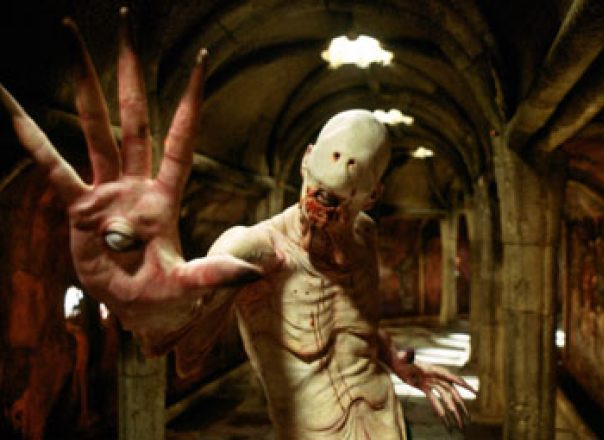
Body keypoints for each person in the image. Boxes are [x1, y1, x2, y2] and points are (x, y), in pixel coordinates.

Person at [0, 9, 473, 439]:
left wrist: (398, 362)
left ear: (373, 195)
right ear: (306, 160)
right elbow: (179, 344)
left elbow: (361, 328)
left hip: (389, 423)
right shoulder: (253, 250)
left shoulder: (364, 234)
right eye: (332, 161)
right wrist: (136, 282)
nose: (341, 176)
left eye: (355, 177)